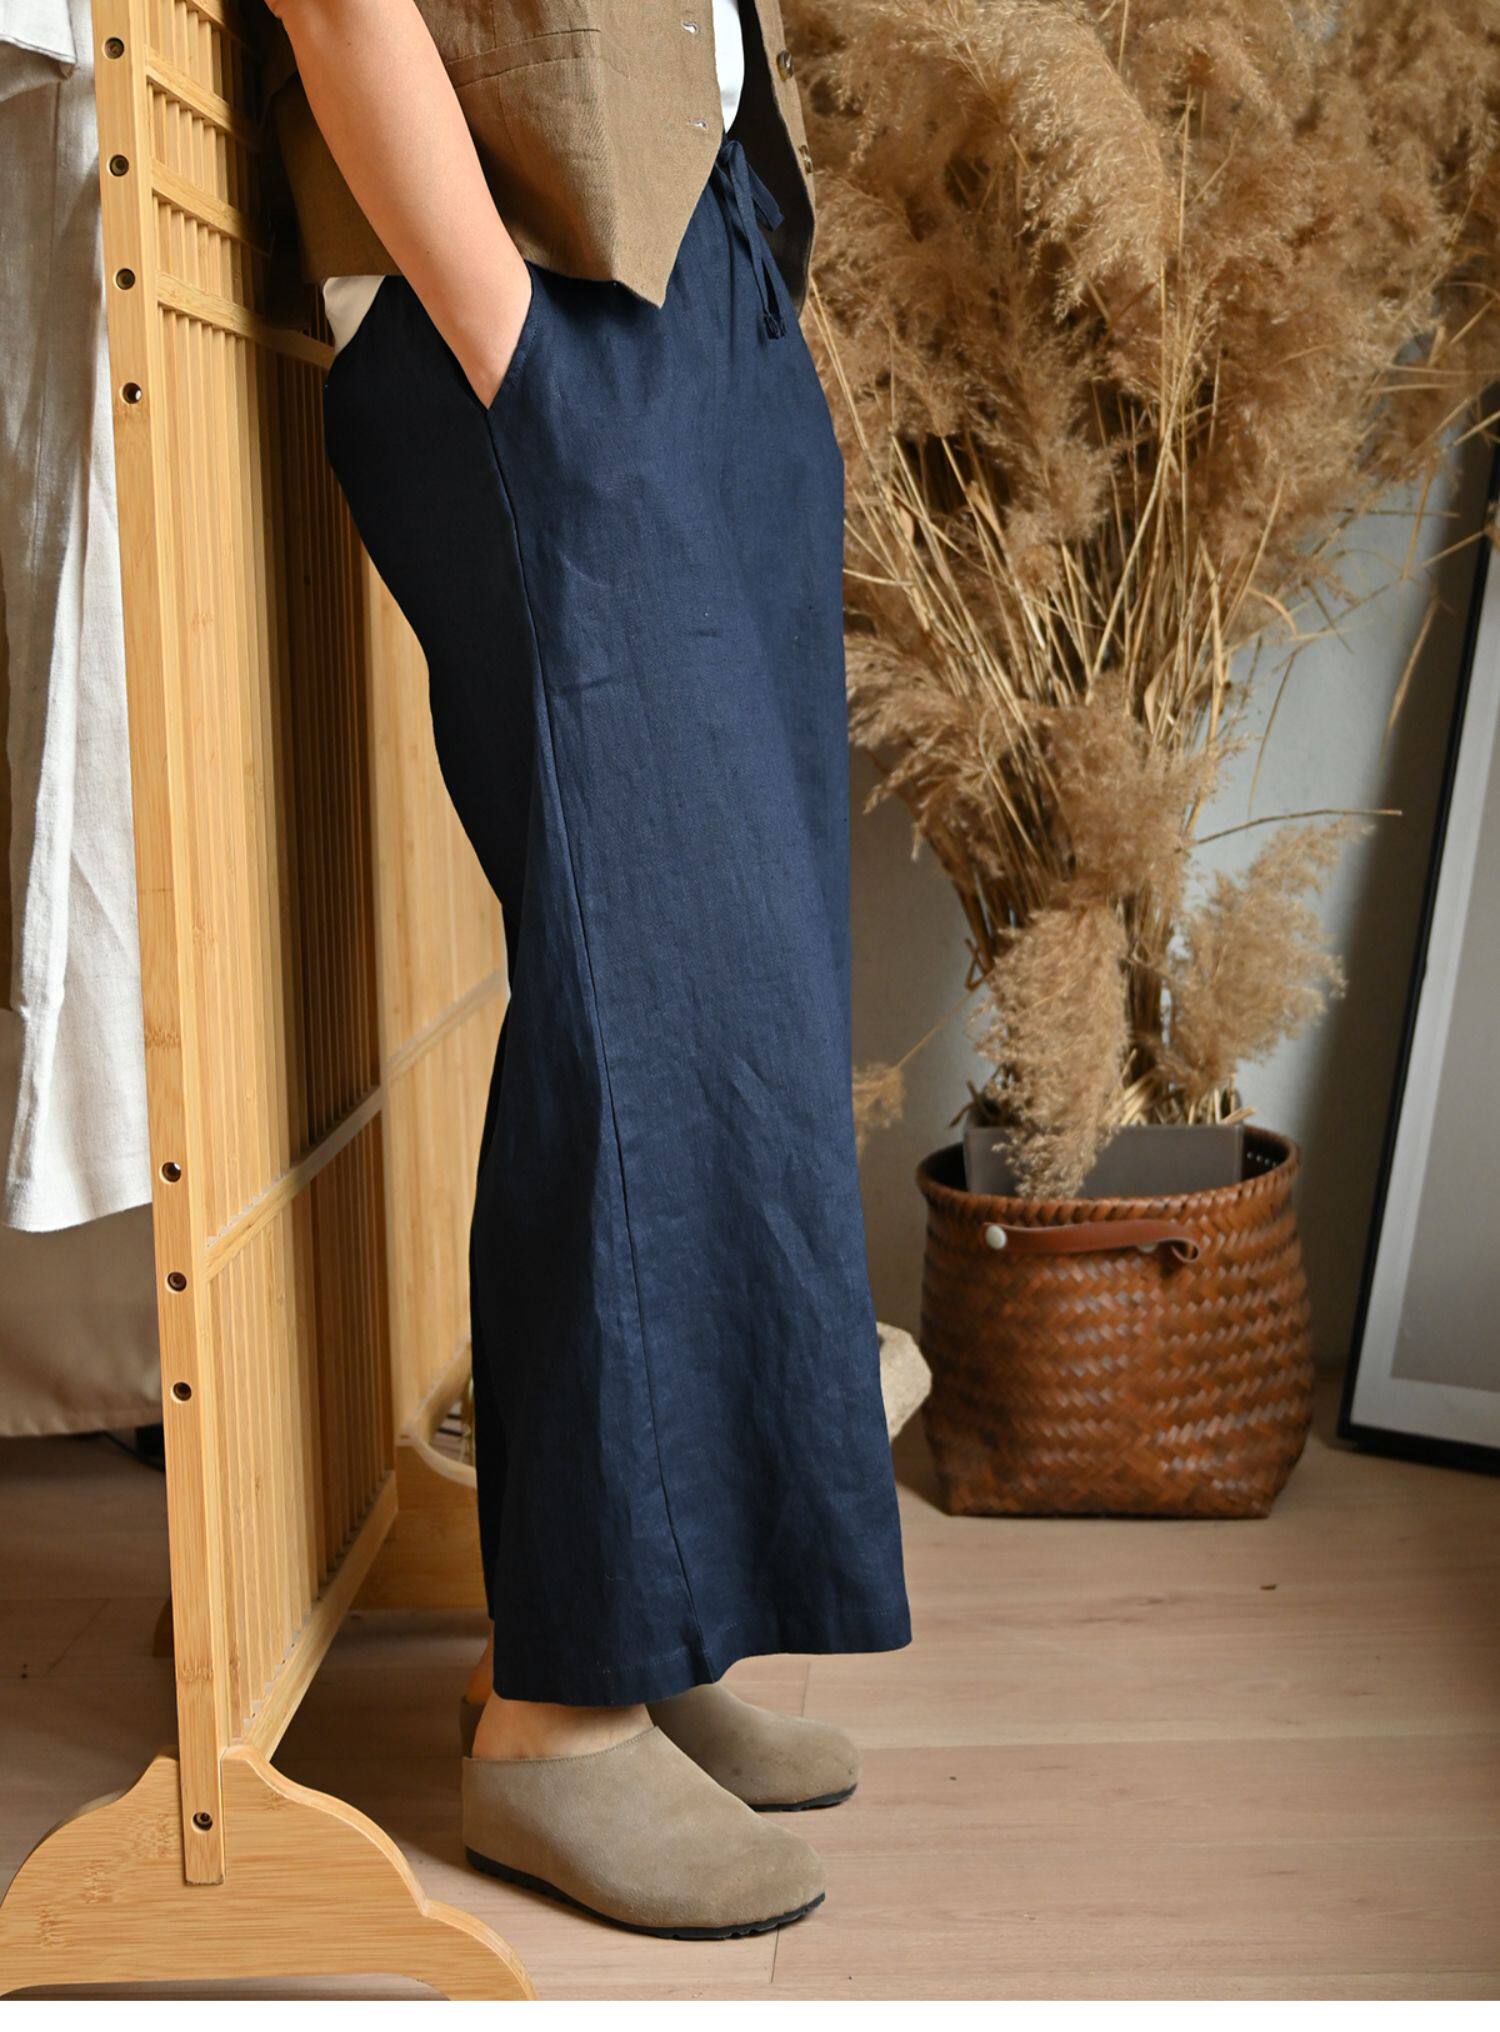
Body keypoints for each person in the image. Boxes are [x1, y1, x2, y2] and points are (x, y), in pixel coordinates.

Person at [261, 0, 911, 1939]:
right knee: (644, 988)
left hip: (704, 268)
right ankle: (555, 1722)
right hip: (532, 290)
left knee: (744, 979)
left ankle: (646, 1610)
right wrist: (508, 345)